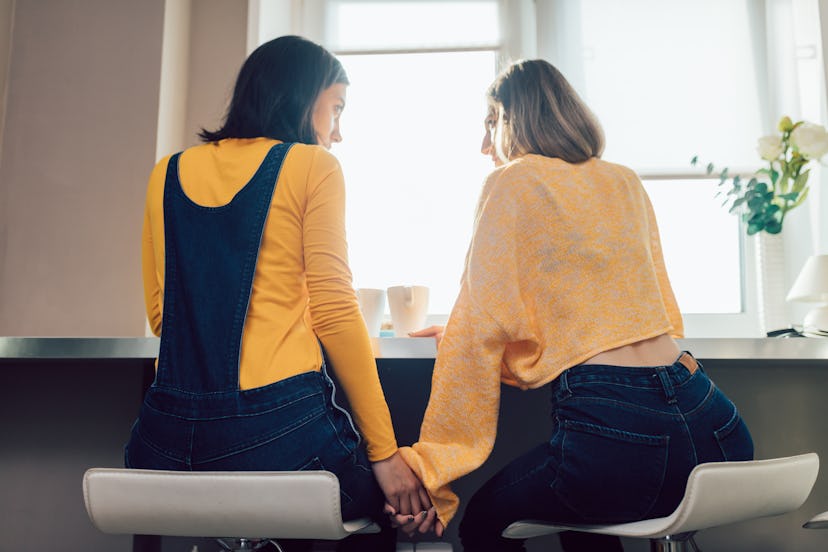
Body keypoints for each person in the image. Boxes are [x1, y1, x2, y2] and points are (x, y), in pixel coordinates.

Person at [399, 59, 754, 551]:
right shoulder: (624, 180)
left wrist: (432, 471)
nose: (485, 146)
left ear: (511, 118)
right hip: (714, 422)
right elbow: (645, 310)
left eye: (489, 124)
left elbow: (481, 323)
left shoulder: (514, 179)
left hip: (617, 435)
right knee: (582, 506)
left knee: (484, 522)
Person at [126, 35, 429, 551]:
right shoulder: (313, 166)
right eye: (336, 110)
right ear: (301, 97)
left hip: (166, 444)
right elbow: (336, 313)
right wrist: (385, 454)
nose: (338, 132)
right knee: (382, 506)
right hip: (275, 431)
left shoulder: (167, 172)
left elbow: (162, 316)